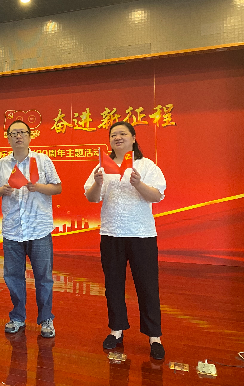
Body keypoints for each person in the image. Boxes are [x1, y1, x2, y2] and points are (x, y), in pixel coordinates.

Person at [84, 121, 166, 360]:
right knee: (113, 286)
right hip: (111, 234)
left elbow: (157, 196)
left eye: (122, 134)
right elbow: (92, 197)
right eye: (113, 135)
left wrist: (138, 183)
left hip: (142, 234)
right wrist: (98, 182)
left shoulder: (146, 165)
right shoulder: (103, 166)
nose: (117, 138)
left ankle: (154, 337)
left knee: (147, 286)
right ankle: (116, 330)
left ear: (133, 138)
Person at [0, 120, 62, 338]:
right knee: (13, 276)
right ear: (8, 138)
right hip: (12, 230)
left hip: (39, 229)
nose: (18, 136)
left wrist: (38, 187)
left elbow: (57, 187)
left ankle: (46, 318)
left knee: (44, 277)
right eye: (14, 133)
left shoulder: (42, 160)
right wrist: (2, 190)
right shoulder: (2, 164)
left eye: (22, 132)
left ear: (30, 136)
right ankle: (18, 316)